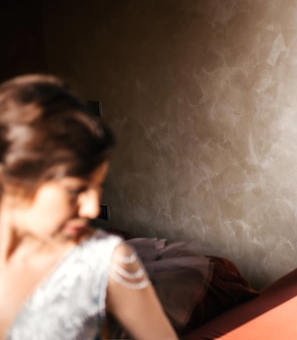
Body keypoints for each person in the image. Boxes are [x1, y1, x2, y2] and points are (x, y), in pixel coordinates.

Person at [0, 74, 177, 339]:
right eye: (76, 190)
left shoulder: (107, 262)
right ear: (14, 179)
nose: (93, 209)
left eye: (98, 186)